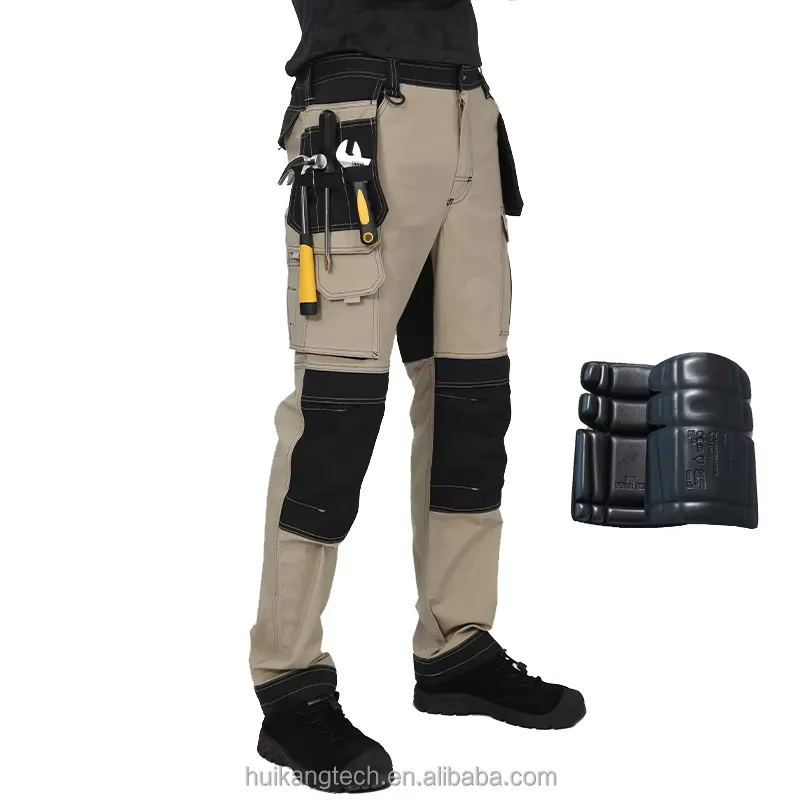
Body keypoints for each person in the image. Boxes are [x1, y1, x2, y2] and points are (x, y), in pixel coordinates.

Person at [250, 1, 585, 791]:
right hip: (358, 115)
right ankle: (289, 681)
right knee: (335, 413)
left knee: (472, 402)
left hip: (469, 107)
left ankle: (455, 648)